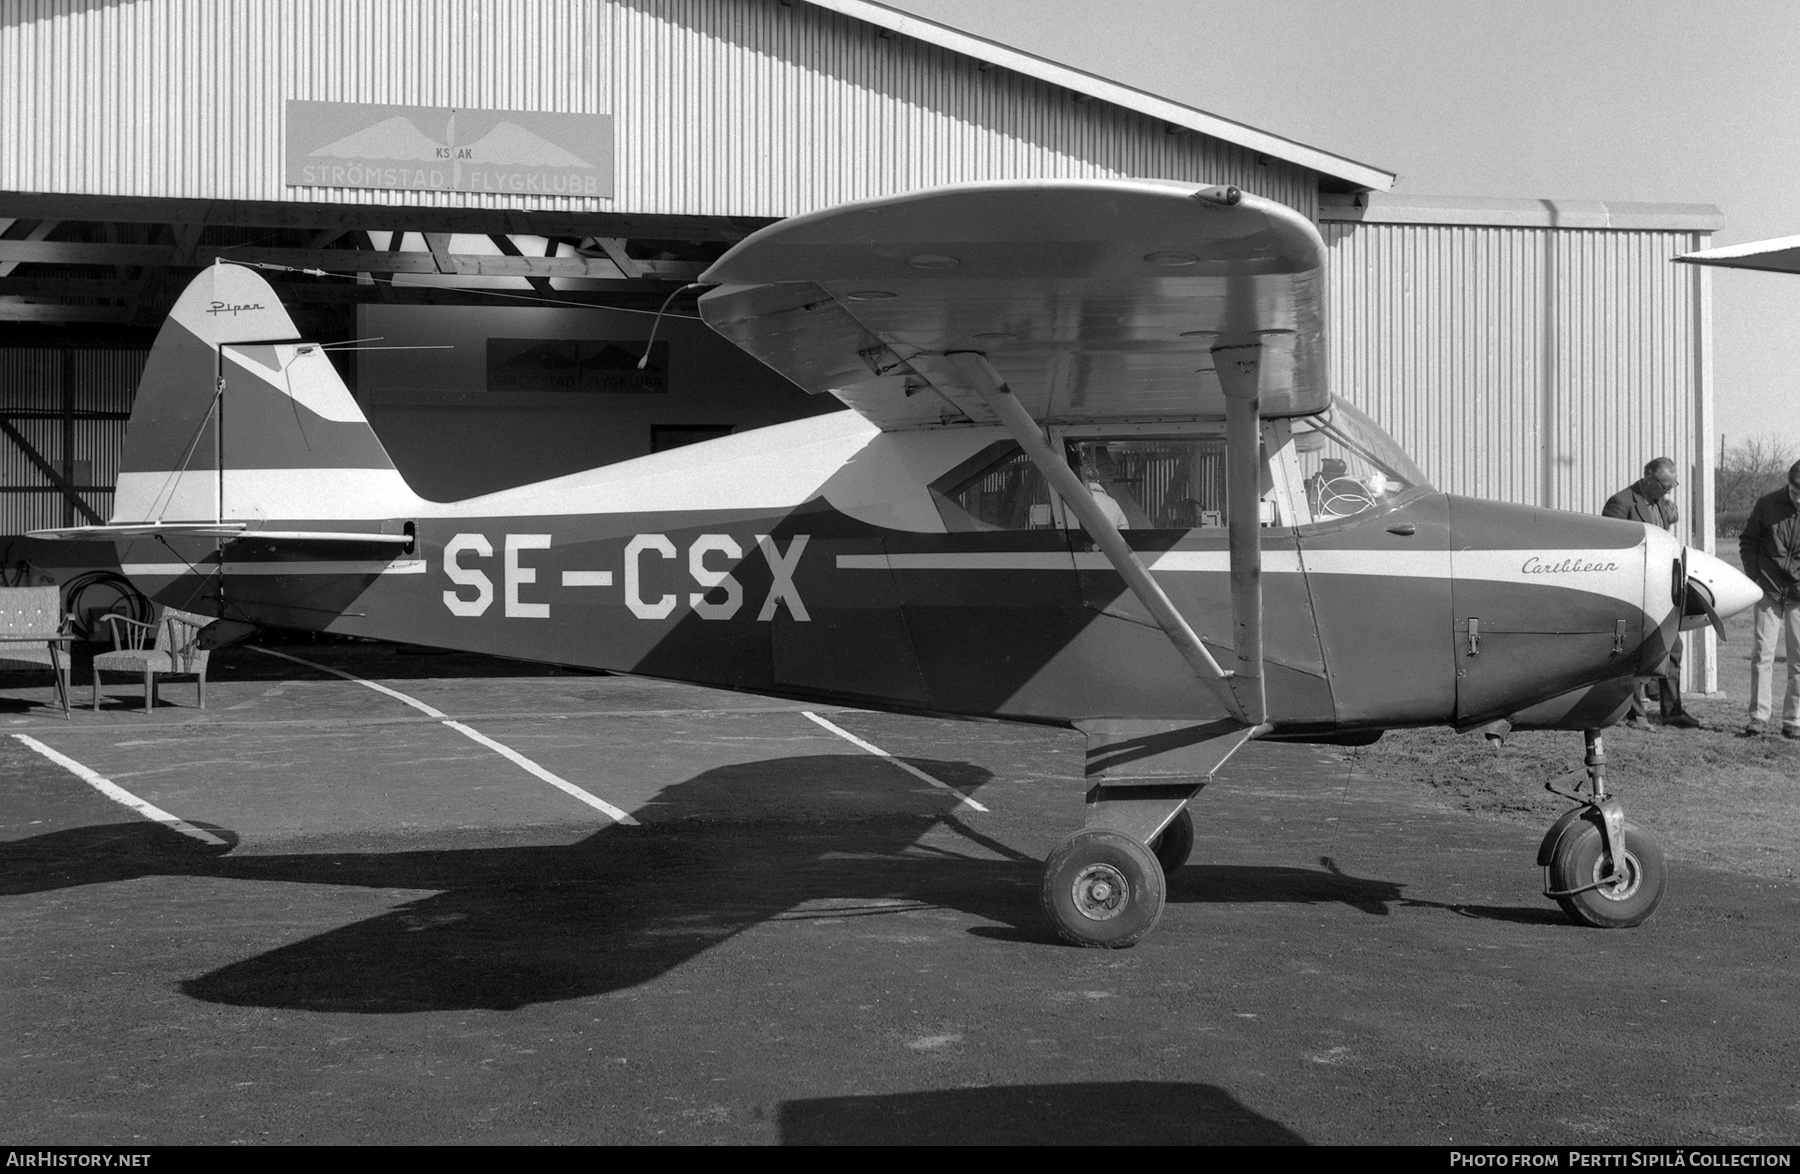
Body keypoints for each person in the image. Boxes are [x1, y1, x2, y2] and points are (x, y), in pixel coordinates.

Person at [1603, 457, 1698, 728]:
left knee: (1673, 648)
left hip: (1658, 593)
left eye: (1672, 486)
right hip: (1633, 594)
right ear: (1648, 478)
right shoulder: (1620, 503)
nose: (1668, 491)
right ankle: (1634, 714)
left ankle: (1673, 711)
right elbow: (1613, 551)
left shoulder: (1659, 503)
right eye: (1665, 485)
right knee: (1635, 653)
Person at [1737, 459, 1800, 738]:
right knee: (1762, 654)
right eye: (1795, 491)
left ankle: (1794, 720)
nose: (1798, 498)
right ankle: (1758, 717)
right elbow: (1748, 542)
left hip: (1799, 595)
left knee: (1799, 659)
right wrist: (1756, 578)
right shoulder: (1767, 504)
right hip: (1769, 589)